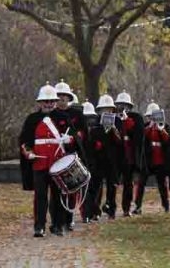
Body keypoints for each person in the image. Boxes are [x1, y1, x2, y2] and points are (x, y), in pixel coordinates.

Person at [19, 83, 74, 237]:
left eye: (51, 101)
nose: (49, 104)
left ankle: (57, 225)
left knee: (58, 196)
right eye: (46, 101)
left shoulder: (63, 117)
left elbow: (75, 137)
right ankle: (39, 226)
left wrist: (69, 139)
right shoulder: (32, 119)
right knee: (40, 196)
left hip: (58, 164)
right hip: (39, 163)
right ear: (40, 102)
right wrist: (27, 152)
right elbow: (24, 141)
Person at [54, 79, 87, 230]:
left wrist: (73, 137)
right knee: (56, 189)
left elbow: (83, 132)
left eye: (64, 96)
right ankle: (57, 219)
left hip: (72, 153)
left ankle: (70, 217)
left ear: (69, 97)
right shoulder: (52, 114)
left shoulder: (77, 113)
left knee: (72, 187)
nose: (61, 99)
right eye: (58, 96)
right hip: (56, 153)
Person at [84, 94, 123, 220]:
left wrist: (114, 130)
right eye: (104, 109)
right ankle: (93, 211)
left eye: (109, 109)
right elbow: (90, 140)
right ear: (100, 110)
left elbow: (120, 141)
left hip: (113, 159)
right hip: (98, 159)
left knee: (112, 185)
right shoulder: (95, 122)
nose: (107, 111)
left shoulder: (117, 121)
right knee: (95, 185)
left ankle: (111, 209)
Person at [134, 101, 170, 214]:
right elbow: (141, 139)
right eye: (150, 116)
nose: (152, 119)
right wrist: (150, 127)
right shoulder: (145, 127)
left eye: (154, 116)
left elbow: (168, 140)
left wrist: (161, 130)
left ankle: (166, 206)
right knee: (141, 183)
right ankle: (138, 206)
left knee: (162, 185)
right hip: (147, 160)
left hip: (160, 160)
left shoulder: (165, 126)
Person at [115, 90, 145, 217]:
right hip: (116, 154)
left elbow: (138, 136)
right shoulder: (113, 117)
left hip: (129, 156)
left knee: (128, 183)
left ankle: (126, 208)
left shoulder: (136, 118)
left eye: (125, 105)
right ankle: (109, 206)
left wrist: (127, 121)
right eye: (120, 105)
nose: (122, 108)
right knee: (113, 182)